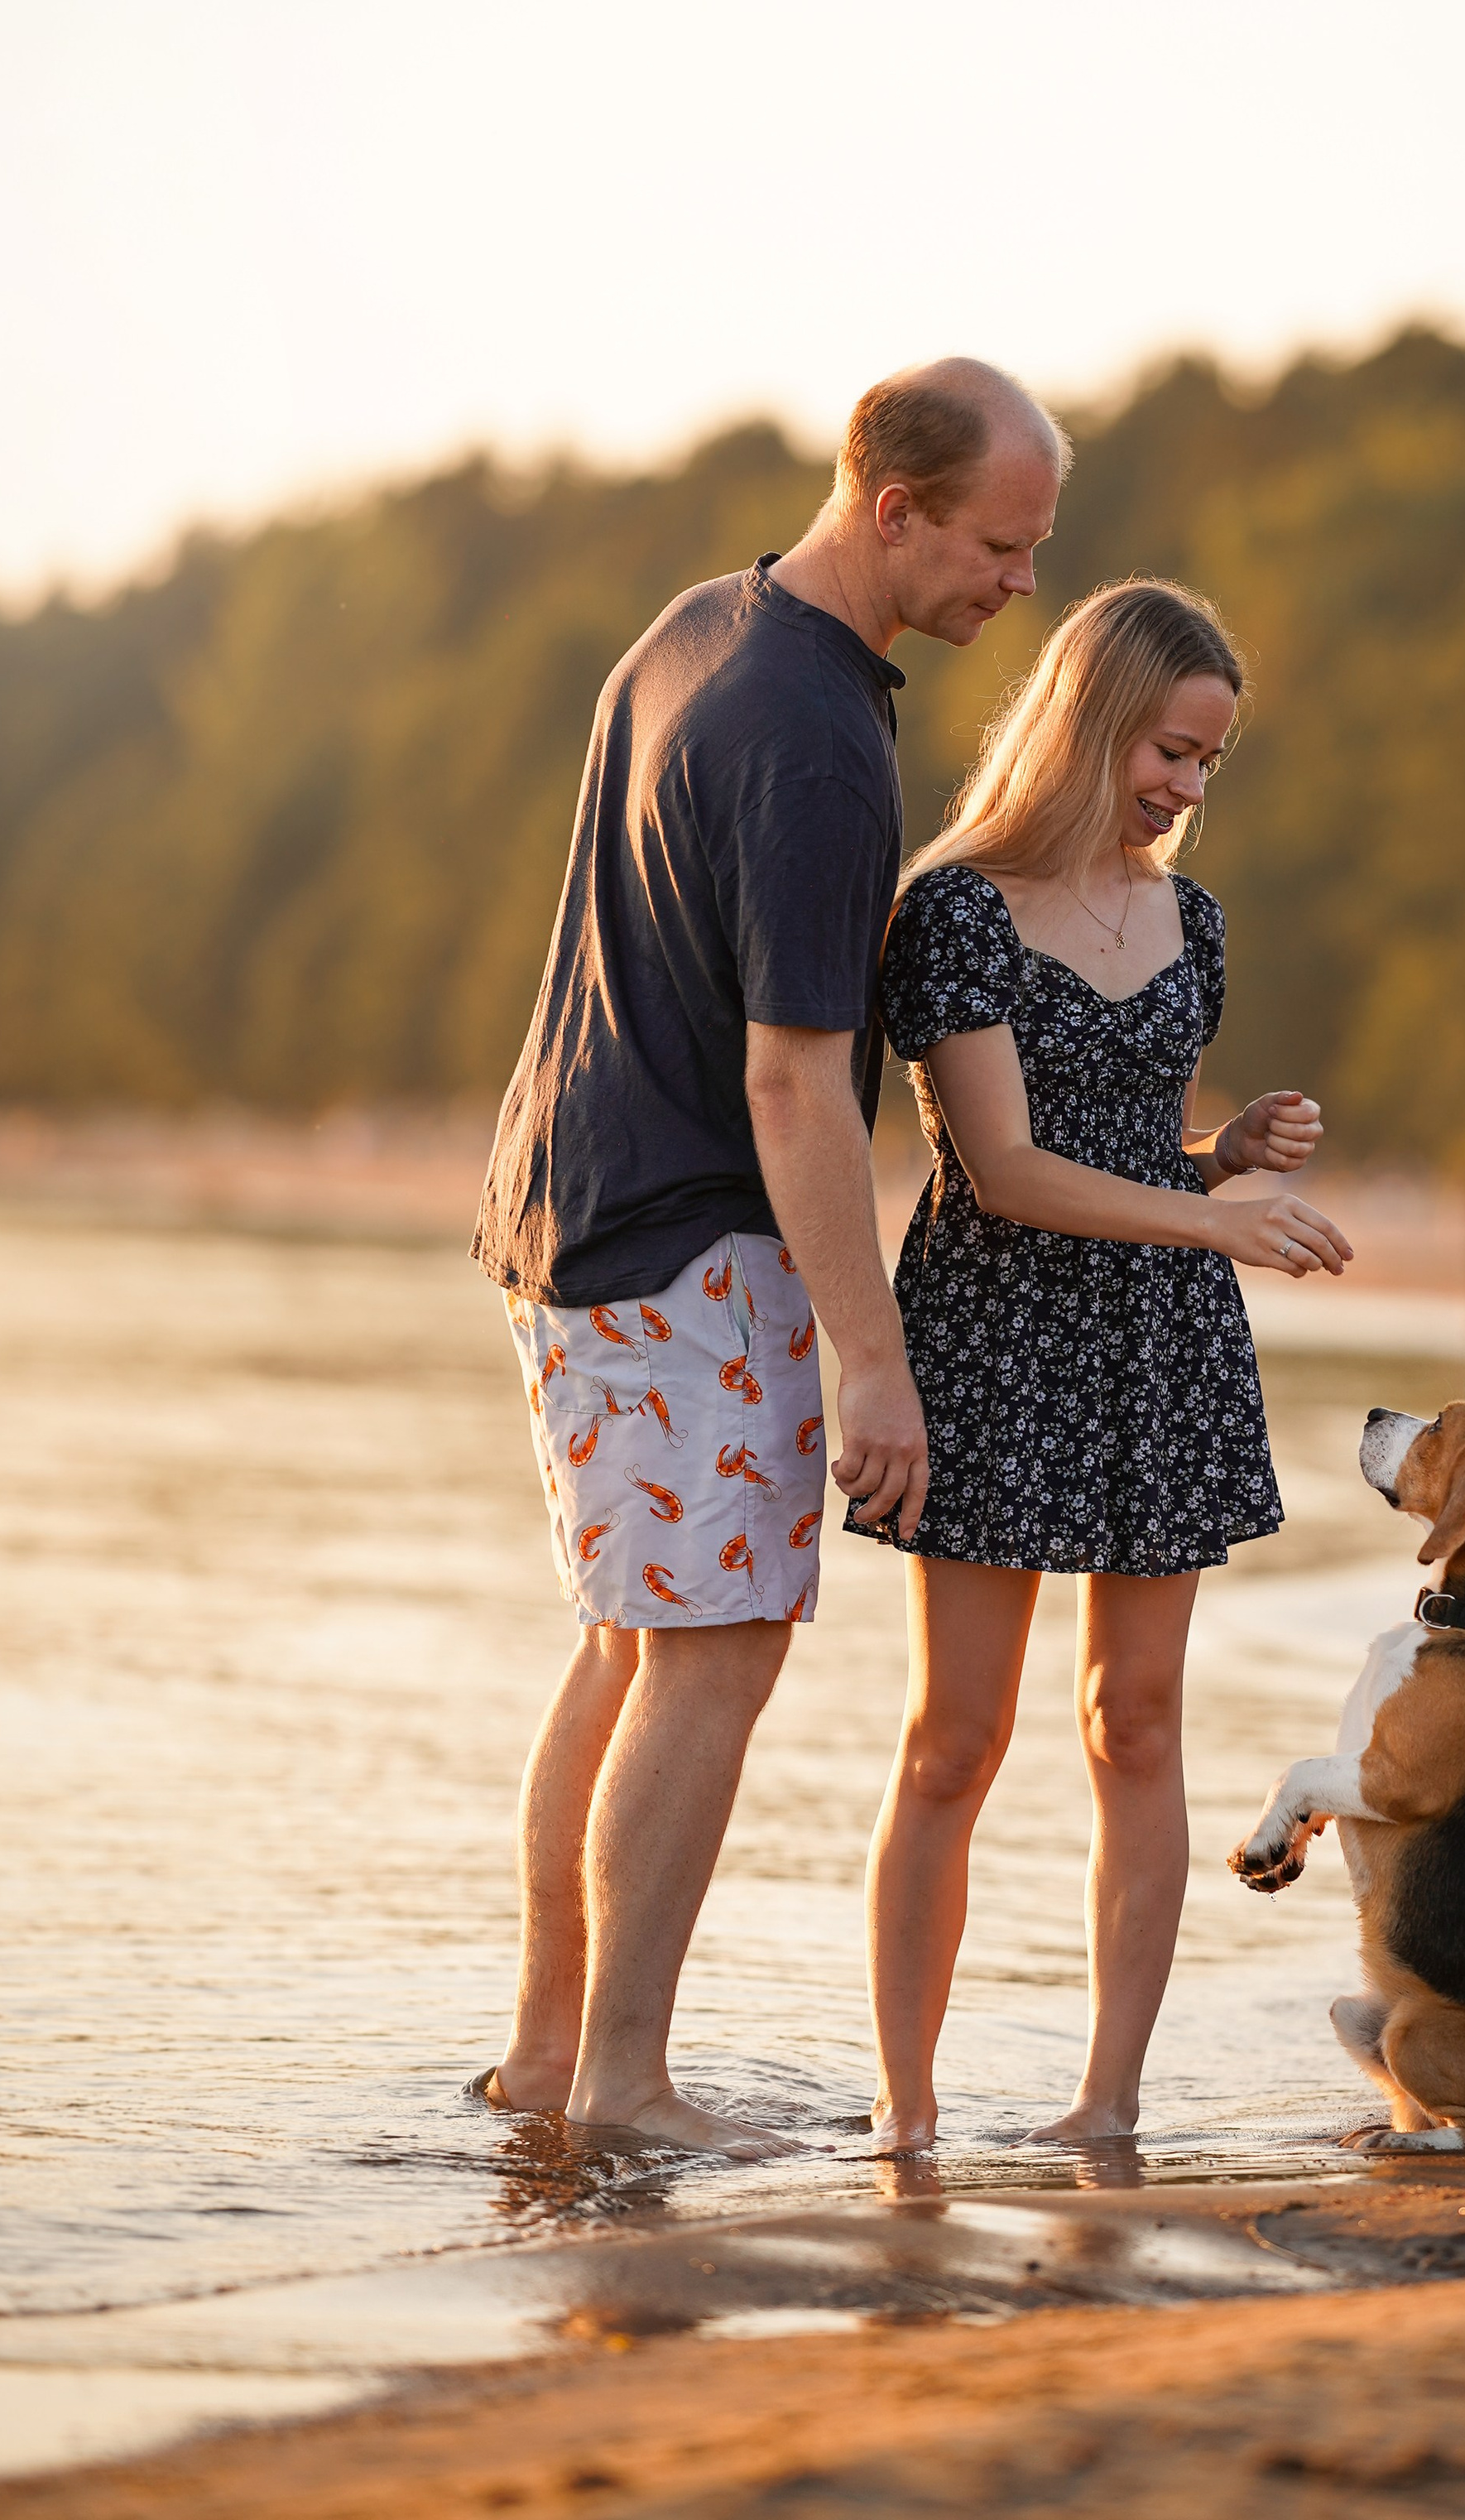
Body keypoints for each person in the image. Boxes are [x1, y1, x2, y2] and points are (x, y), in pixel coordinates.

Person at [470, 358, 1068, 2150]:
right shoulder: (815, 741)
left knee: (631, 1645)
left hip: (558, 1201)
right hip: (682, 1231)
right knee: (711, 1650)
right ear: (893, 507)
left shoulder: (692, 627)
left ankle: (547, 2060)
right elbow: (800, 1086)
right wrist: (868, 1359)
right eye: (996, 542)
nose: (1017, 583)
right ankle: (626, 2088)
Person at [856, 580, 1352, 2153]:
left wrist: (1223, 1156)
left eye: (1210, 763)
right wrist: (1218, 1218)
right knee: (957, 1737)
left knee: (1135, 1726)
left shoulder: (1190, 922)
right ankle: (909, 2120)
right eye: (1170, 750)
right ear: (1085, 718)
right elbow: (1004, 1168)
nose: (1188, 790)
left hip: (1156, 1350)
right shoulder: (954, 911)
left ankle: (1107, 2109)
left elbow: (1130, 1152)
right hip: (996, 1338)